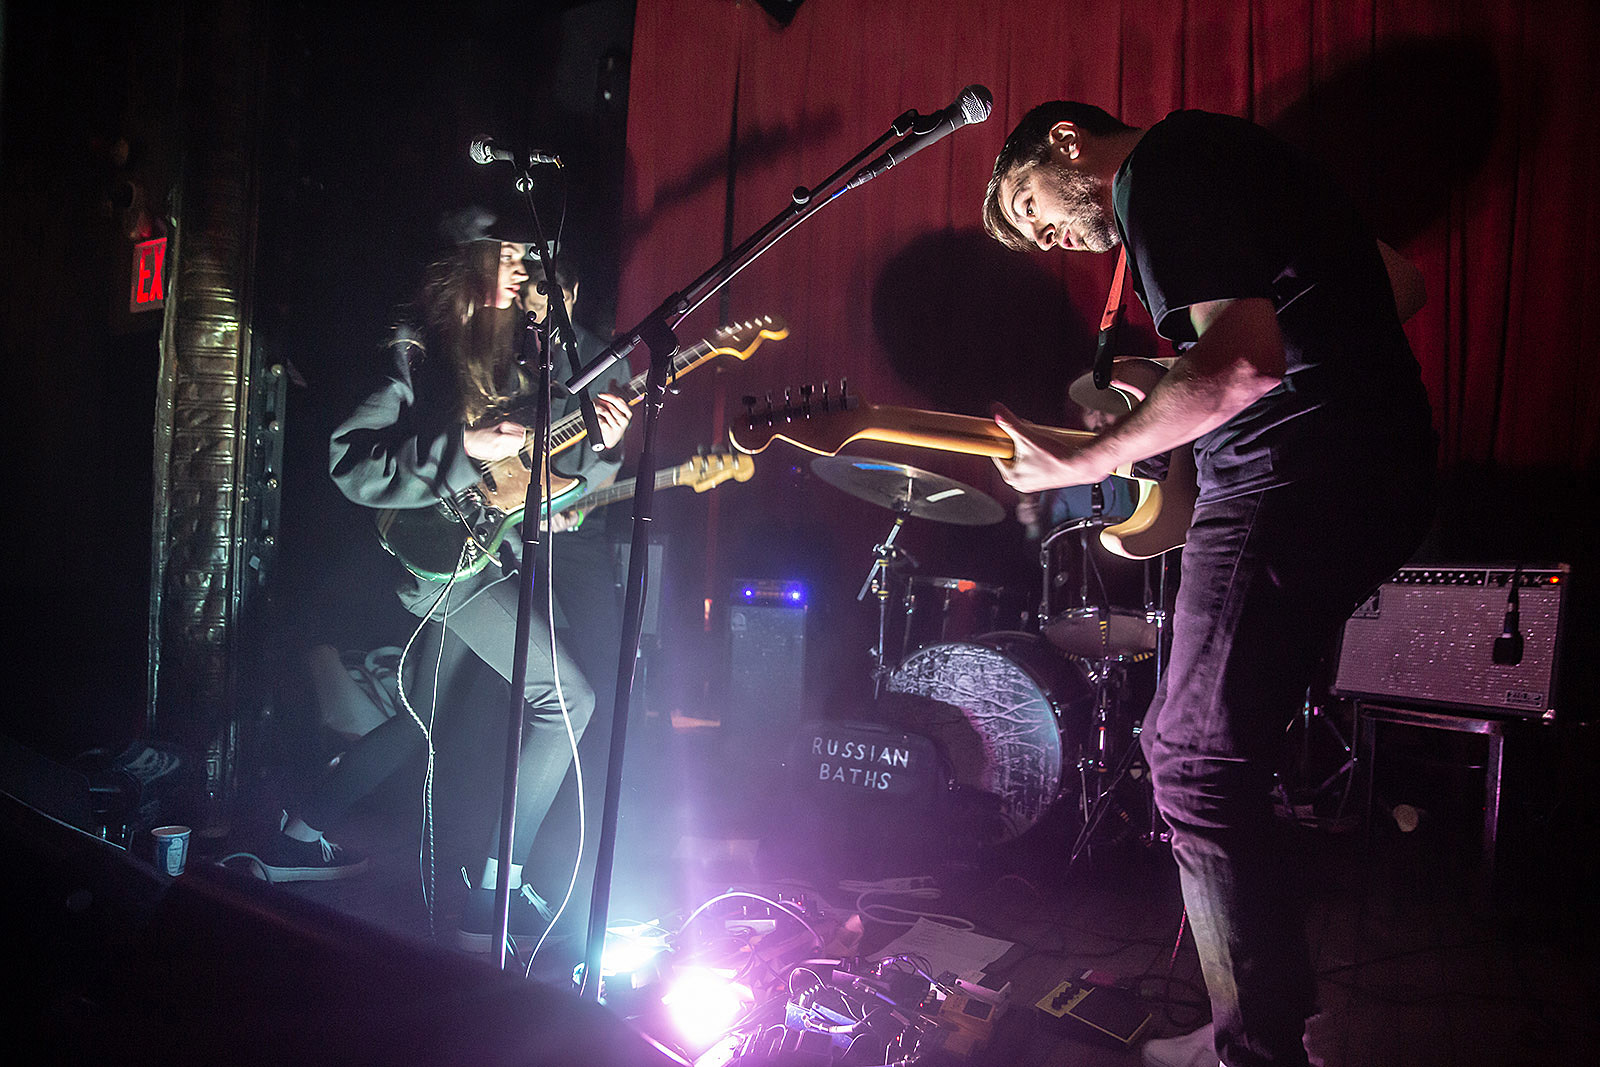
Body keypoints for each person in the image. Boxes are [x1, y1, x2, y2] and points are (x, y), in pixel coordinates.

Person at [983, 103, 1435, 1067]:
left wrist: (1082, 460)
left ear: (1067, 143)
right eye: (1035, 236)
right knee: (1213, 754)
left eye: (1033, 206)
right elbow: (1399, 281)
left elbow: (1238, 367)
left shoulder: (1165, 166)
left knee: (1190, 759)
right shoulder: (1224, 161)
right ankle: (1273, 1019)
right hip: (1363, 470)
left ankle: (1259, 1047)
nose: (1049, 237)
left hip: (1291, 475)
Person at [305, 210, 631, 952]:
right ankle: (495, 895)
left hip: (479, 555)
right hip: (438, 570)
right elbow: (353, 464)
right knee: (568, 698)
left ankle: (299, 829)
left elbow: (528, 487)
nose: (523, 271)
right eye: (510, 256)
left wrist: (602, 451)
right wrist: (462, 444)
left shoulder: (518, 355)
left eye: (528, 257)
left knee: (419, 717)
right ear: (472, 260)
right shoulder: (415, 344)